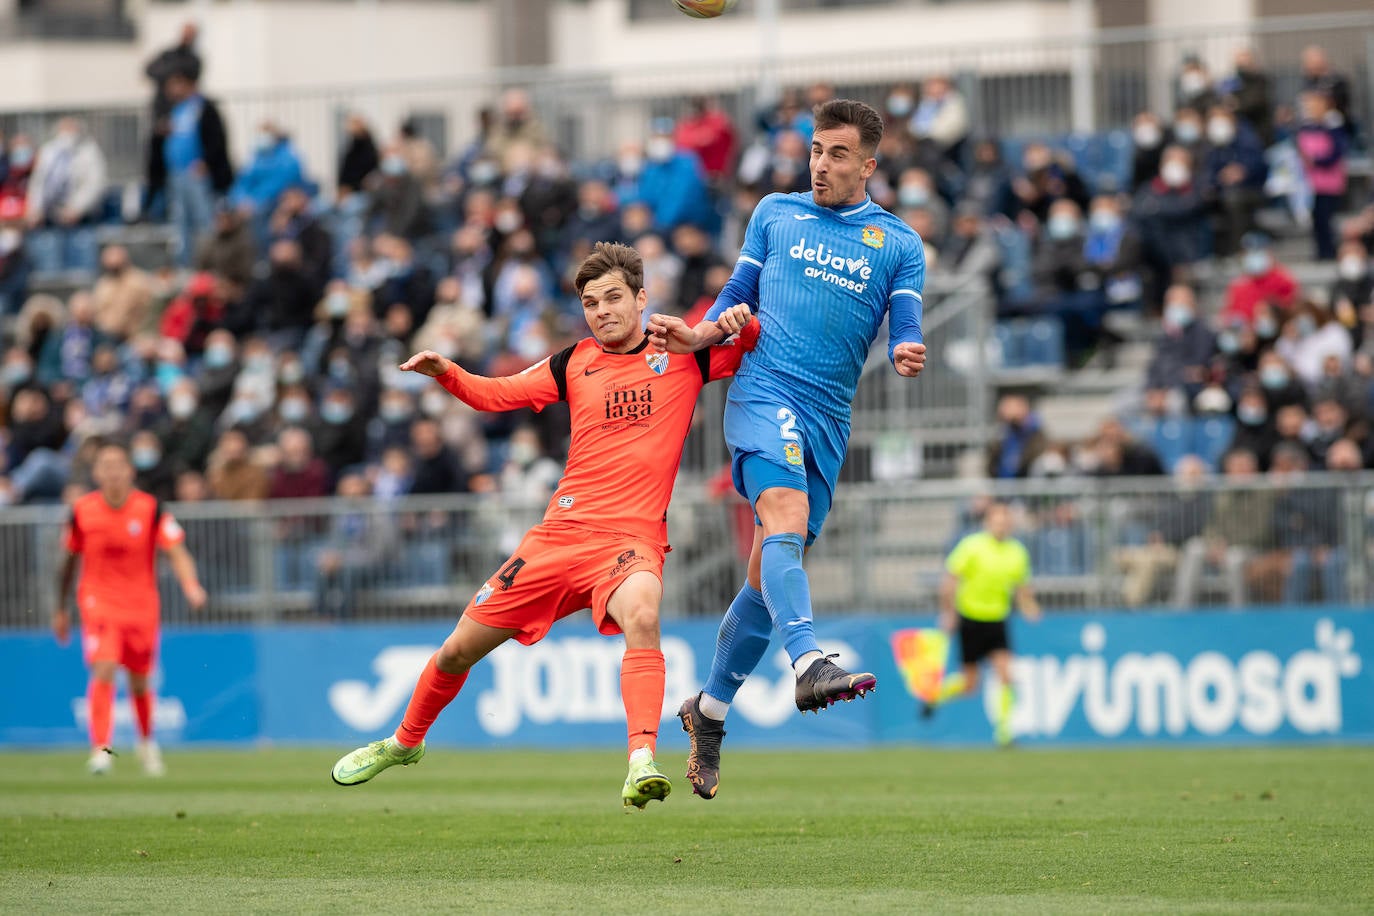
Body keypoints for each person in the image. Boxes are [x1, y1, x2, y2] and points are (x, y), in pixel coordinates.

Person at [330, 242, 757, 809]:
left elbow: (749, 346)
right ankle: (404, 742)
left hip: (630, 540)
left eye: (613, 297)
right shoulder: (572, 362)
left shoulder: (681, 353)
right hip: (558, 538)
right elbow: (496, 394)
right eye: (590, 302)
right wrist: (447, 372)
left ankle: (641, 761)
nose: (602, 310)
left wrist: (735, 323)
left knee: (644, 614)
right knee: (457, 651)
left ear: (641, 298)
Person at [647, 99, 926, 800]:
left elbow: (907, 322)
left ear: (868, 164)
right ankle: (808, 664)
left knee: (768, 576)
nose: (821, 164)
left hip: (828, 421)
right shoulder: (774, 212)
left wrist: (905, 349)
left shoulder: (898, 243)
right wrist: (701, 333)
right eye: (815, 151)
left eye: (837, 154)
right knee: (784, 514)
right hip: (762, 394)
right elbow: (736, 293)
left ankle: (707, 713)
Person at [52, 441, 207, 775]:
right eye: (105, 465)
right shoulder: (82, 511)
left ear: (130, 470)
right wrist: (60, 608)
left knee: (140, 679)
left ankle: (147, 743)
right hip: (98, 600)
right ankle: (101, 749)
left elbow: (177, 550)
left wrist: (191, 586)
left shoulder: (150, 508)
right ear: (96, 473)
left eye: (118, 464)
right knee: (104, 666)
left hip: (141, 603)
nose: (112, 471)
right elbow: (67, 562)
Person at [921, 502, 1040, 746]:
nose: (1002, 526)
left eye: (1005, 522)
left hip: (997, 620)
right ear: (988, 523)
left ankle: (1005, 733)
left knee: (1006, 674)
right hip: (971, 619)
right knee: (970, 684)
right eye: (997, 521)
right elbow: (950, 580)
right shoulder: (972, 546)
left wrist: (1030, 606)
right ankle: (935, 696)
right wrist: (949, 613)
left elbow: (1022, 586)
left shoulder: (1017, 552)